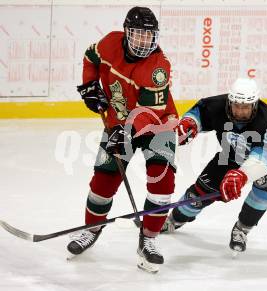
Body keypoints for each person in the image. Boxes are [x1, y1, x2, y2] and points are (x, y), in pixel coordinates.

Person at [67, 6, 178, 273]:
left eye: (149, 36)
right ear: (127, 33)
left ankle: (148, 241)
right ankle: (91, 229)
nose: (144, 41)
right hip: (118, 123)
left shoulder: (157, 68)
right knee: (103, 182)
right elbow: (89, 58)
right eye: (138, 35)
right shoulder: (109, 43)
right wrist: (89, 86)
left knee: (162, 185)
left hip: (158, 127)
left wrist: (125, 133)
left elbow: (149, 114)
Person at [161, 78, 267, 254]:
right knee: (200, 192)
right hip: (232, 155)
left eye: (245, 107)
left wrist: (242, 176)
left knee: (266, 184)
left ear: (254, 105)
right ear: (230, 101)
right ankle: (174, 220)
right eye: (236, 106)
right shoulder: (217, 106)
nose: (240, 111)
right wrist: (190, 123)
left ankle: (242, 229)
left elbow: (262, 161)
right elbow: (199, 113)